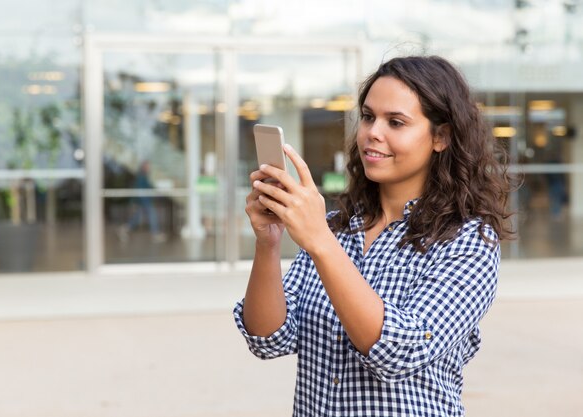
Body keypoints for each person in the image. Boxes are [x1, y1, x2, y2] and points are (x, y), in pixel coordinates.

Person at [233, 55, 513, 416]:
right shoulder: (338, 227)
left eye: (395, 122)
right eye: (368, 116)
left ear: (441, 136)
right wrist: (268, 244)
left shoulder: (469, 240)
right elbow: (267, 338)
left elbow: (399, 351)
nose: (372, 133)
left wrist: (320, 242)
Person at [118, 160, 166, 243]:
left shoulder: (145, 176)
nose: (149, 168)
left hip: (144, 201)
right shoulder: (141, 177)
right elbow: (141, 191)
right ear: (143, 167)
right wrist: (146, 201)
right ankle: (155, 233)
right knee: (152, 214)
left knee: (137, 218)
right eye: (147, 166)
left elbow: (148, 188)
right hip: (143, 201)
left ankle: (123, 229)